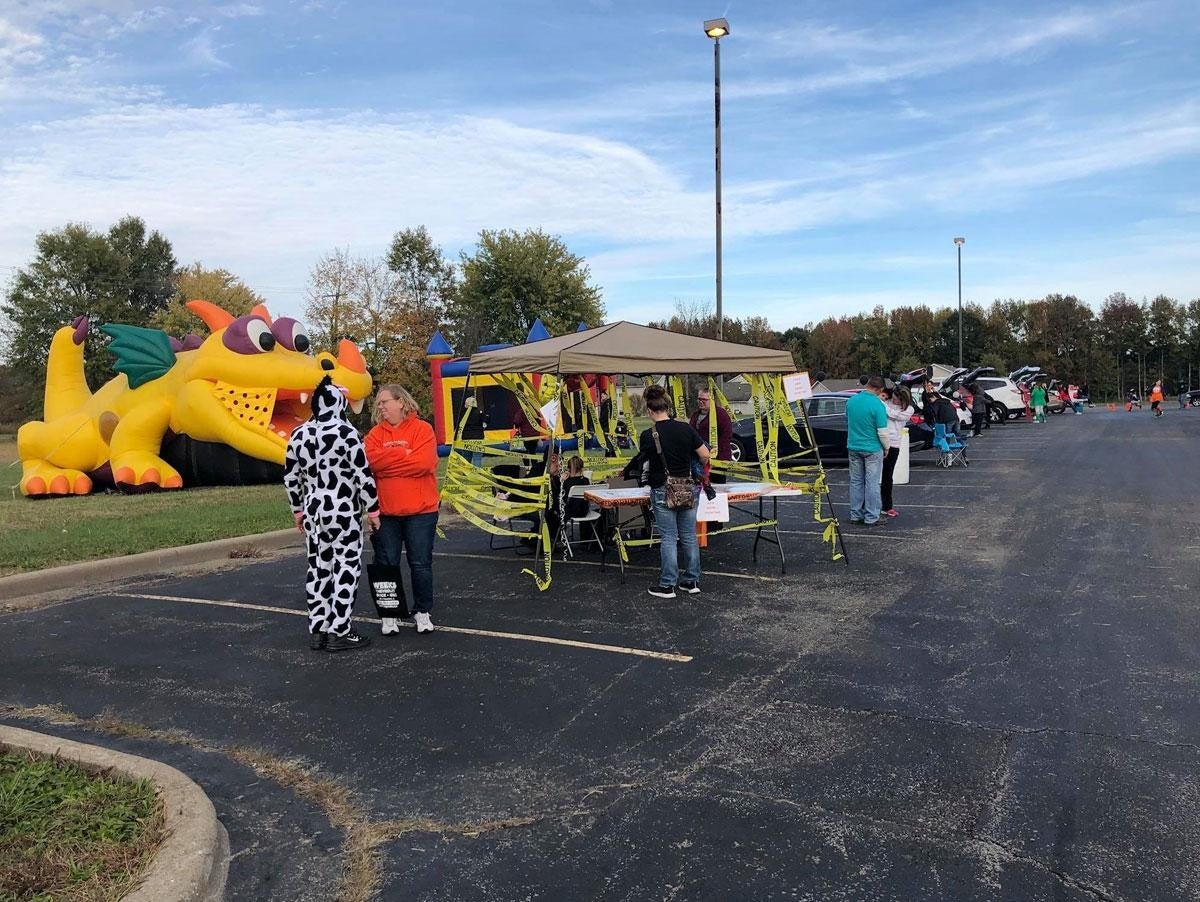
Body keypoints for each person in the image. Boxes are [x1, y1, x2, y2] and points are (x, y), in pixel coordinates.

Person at [284, 376, 380, 653]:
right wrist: (373, 509)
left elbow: (291, 477)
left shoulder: (298, 434)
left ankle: (319, 630)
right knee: (346, 568)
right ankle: (341, 629)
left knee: (318, 569)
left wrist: (298, 509)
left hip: (314, 509)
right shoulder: (347, 433)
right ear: (338, 403)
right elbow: (363, 474)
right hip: (343, 509)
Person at [365, 384, 441, 636]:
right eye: (379, 403)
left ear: (401, 402)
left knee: (420, 563)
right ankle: (389, 614)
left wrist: (388, 462)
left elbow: (424, 463)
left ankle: (422, 611)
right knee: (386, 564)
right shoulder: (375, 434)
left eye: (384, 401)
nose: (380, 406)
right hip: (386, 512)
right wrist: (402, 453)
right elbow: (370, 463)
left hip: (422, 511)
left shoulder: (423, 429)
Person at [623, 384, 709, 599]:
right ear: (667, 406)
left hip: (662, 488)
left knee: (668, 538)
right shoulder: (686, 429)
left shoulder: (647, 435)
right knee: (689, 535)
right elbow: (706, 454)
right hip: (687, 487)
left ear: (650, 410)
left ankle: (668, 584)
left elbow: (641, 460)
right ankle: (691, 580)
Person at [846, 376, 890, 526]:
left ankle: (855, 514)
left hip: (853, 446)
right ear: (880, 389)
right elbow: (882, 432)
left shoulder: (851, 401)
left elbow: (848, 420)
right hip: (872, 448)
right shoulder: (878, 405)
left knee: (856, 481)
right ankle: (871, 516)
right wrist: (887, 446)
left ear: (868, 385)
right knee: (872, 483)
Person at [688, 388, 733, 483]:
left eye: (704, 399)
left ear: (712, 400)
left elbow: (726, 437)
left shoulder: (721, 415)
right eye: (699, 399)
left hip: (717, 460)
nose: (701, 402)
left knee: (717, 488)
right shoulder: (695, 415)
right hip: (699, 459)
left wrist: (715, 458)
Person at [881, 386, 913, 518]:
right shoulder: (886, 402)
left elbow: (892, 415)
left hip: (893, 443)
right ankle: (869, 505)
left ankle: (887, 506)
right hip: (878, 441)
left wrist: (881, 403)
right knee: (872, 475)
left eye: (897, 400)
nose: (894, 401)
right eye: (893, 398)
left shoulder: (908, 410)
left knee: (887, 475)